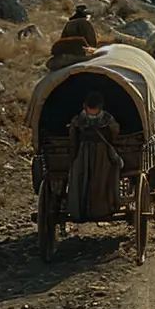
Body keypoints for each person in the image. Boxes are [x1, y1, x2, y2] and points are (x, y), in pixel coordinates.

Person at [66, 91, 123, 222]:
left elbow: (115, 131)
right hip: (83, 152)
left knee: (101, 179)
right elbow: (73, 135)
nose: (92, 112)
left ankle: (101, 209)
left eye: (94, 109)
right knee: (80, 177)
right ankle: (79, 209)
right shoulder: (79, 119)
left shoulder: (107, 119)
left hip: (101, 153)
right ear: (85, 106)